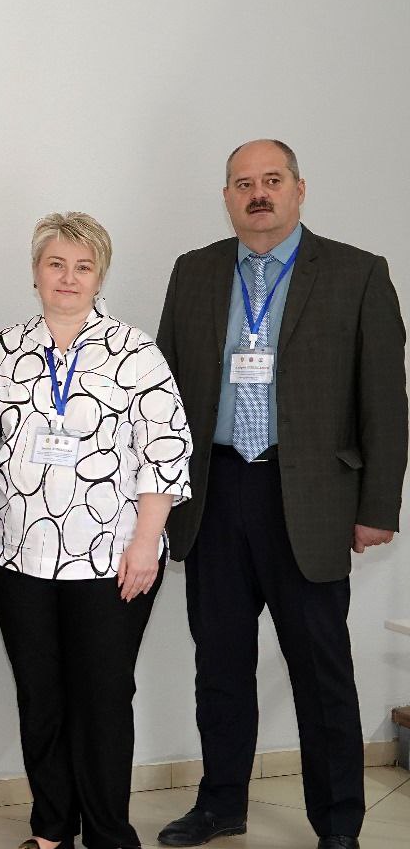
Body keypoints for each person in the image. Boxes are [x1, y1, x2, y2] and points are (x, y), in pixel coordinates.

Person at [155, 140, 407, 849]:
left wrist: (376, 508)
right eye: (243, 183)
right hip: (214, 490)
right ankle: (219, 804)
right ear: (227, 197)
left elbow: (386, 401)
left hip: (312, 499)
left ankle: (338, 822)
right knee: (220, 665)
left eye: (272, 180)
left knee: (321, 672)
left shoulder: (357, 273)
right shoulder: (195, 271)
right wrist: (159, 497)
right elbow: (163, 391)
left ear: (299, 189)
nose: (258, 193)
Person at [0, 212, 192, 849]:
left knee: (102, 700)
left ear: (100, 277)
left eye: (83, 267)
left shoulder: (136, 353)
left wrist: (146, 544)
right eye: (56, 264)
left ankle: (109, 836)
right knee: (39, 698)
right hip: (14, 555)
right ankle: (51, 831)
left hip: (112, 560)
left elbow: (166, 452)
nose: (68, 277)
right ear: (36, 272)